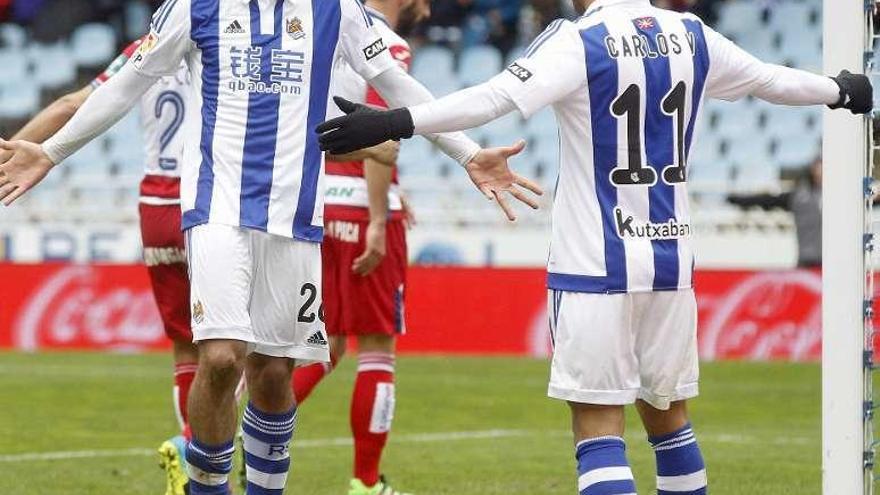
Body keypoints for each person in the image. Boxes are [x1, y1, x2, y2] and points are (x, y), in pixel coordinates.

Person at [315, 0, 873, 493]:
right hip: (671, 264)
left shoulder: (579, 38)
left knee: (598, 425)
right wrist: (842, 89)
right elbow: (772, 81)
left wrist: (398, 121)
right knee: (670, 418)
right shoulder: (693, 34)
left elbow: (497, 96)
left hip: (594, 265)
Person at [0, 1, 542, 494]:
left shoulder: (338, 10)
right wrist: (51, 152)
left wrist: (468, 153)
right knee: (218, 357)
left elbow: (398, 86)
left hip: (297, 218)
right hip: (216, 212)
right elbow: (123, 86)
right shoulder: (195, 7)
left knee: (275, 370)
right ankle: (205, 487)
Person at [0, 37, 198, 495]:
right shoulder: (226, 40)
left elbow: (72, 104)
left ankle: (195, 462)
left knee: (186, 350)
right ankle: (196, 446)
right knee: (236, 345)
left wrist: (13, 154)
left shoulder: (145, 47)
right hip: (207, 205)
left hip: (155, 206)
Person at [288, 1, 426, 494]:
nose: (428, 10)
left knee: (321, 342)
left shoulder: (322, 28)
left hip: (315, 203)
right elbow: (377, 129)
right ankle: (367, 483)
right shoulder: (386, 43)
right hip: (360, 209)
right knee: (377, 349)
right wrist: (378, 216)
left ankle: (251, 432)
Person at [728, 156, 823, 268]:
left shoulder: (839, 199)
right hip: (806, 260)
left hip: (831, 262)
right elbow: (768, 200)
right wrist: (739, 200)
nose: (820, 172)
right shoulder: (799, 196)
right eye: (818, 168)